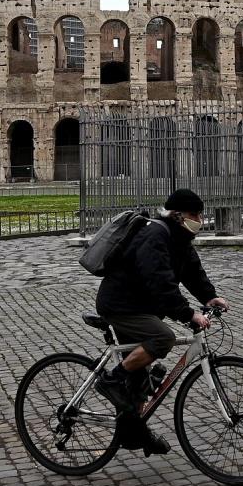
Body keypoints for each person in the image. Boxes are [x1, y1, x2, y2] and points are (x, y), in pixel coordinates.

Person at [93, 188, 229, 454]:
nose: (199, 219)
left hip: (141, 307)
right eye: (195, 214)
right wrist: (188, 314)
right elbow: (159, 282)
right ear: (178, 215)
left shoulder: (180, 237)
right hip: (122, 306)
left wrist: (210, 297)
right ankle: (111, 380)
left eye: (201, 214)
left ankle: (133, 433)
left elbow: (192, 271)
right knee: (162, 338)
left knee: (140, 380)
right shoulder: (155, 234)